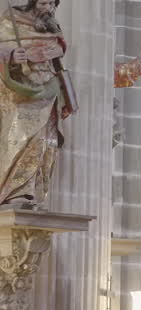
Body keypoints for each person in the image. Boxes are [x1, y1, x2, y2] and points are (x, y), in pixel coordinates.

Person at [0, 0, 74, 209]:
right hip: (20, 94)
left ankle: (34, 192)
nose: (48, 8)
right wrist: (13, 55)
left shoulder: (53, 27)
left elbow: (57, 61)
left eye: (52, 4)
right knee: (21, 139)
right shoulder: (11, 19)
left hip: (48, 92)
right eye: (43, 2)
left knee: (44, 143)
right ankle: (15, 191)